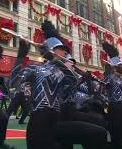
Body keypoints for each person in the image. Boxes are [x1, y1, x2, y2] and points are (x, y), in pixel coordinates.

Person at [9, 20, 107, 149]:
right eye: (61, 50)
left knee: (98, 132)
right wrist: (21, 55)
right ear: (51, 50)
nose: (65, 53)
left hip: (55, 122)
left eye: (65, 51)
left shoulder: (64, 73)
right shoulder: (35, 69)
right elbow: (13, 82)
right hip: (38, 124)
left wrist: (55, 60)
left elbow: (74, 80)